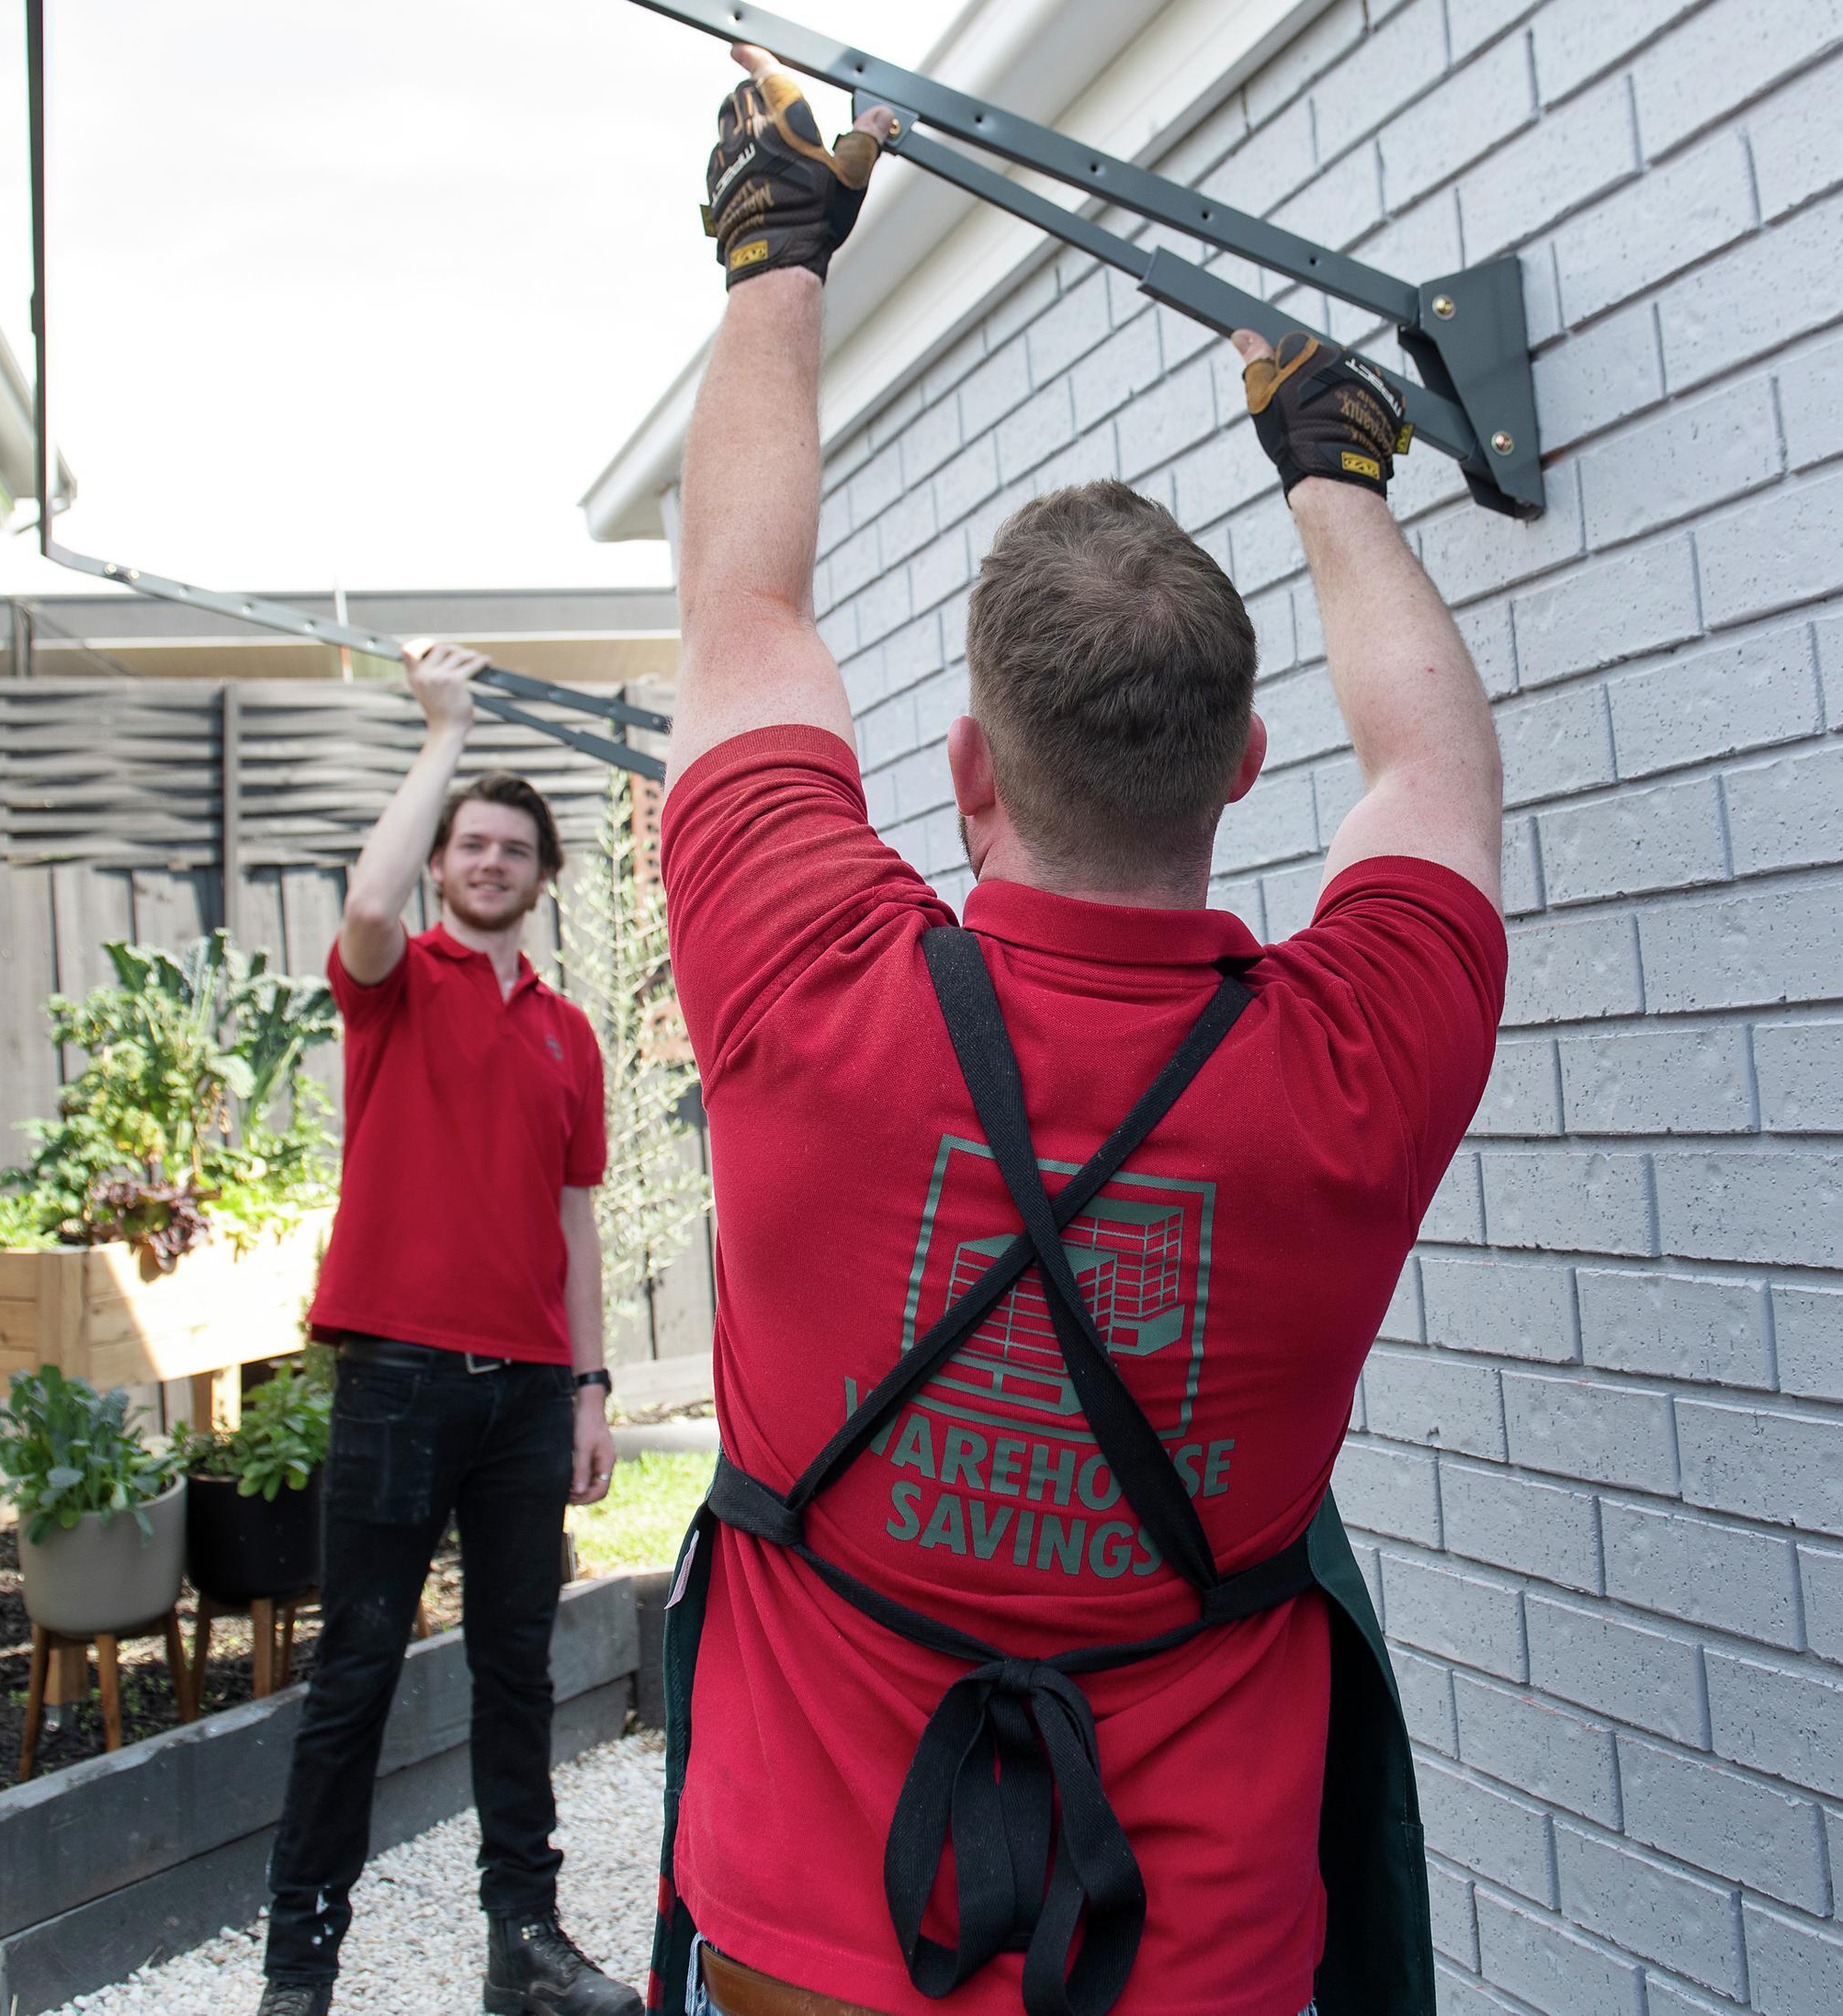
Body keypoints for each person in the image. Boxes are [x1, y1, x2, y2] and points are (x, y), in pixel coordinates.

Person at [642, 44, 1502, 2016]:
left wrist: (777, 248)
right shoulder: (1360, 1057)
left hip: (806, 1947)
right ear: (1245, 767)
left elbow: (740, 610)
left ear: (961, 771)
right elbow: (1437, 766)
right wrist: (1340, 477)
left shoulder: (806, 973)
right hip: (1188, 1960)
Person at [255, 640, 642, 2016]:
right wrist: (443, 734)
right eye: (469, 842)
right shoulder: (393, 981)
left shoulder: (570, 1035)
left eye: (512, 846)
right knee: (355, 1669)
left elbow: (576, 1218)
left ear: (543, 874)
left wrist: (592, 1384)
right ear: (443, 863)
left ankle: (521, 1946)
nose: (488, 861)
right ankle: (301, 1972)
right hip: (401, 1382)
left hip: (531, 1397)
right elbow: (365, 892)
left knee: (517, 1675)